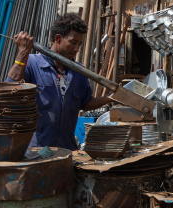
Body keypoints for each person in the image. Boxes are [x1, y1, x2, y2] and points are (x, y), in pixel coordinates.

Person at [7, 13, 112, 150]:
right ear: (58, 38)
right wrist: (22, 53)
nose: (76, 49)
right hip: (37, 151)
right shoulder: (32, 63)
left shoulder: (78, 71)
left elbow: (85, 103)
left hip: (67, 149)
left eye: (79, 44)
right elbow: (10, 89)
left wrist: (110, 98)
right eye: (73, 43)